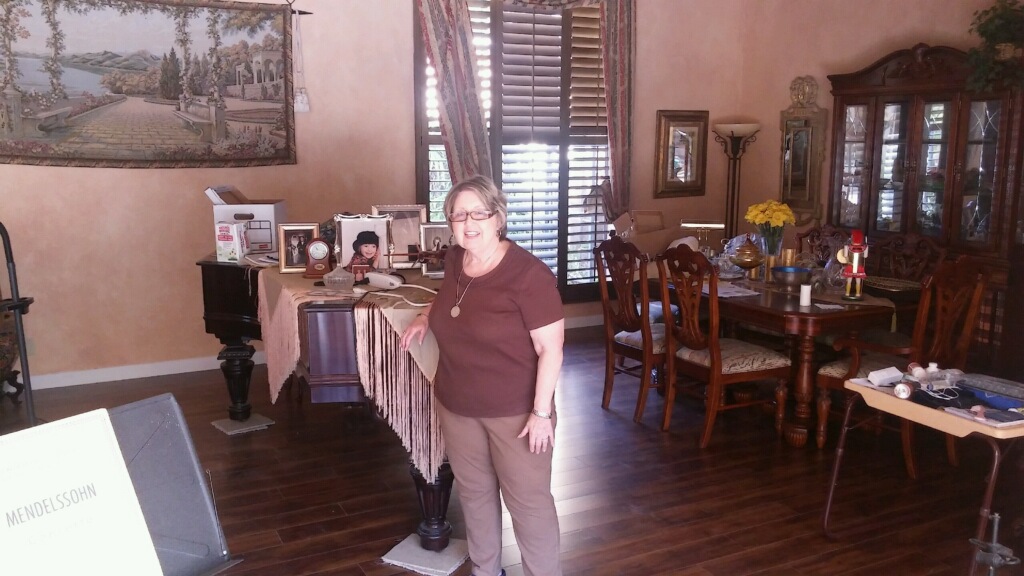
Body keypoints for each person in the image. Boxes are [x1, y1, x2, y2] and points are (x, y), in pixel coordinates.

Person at [400, 175, 564, 576]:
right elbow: (450, 299)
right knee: (474, 496)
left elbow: (551, 349)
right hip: (456, 404)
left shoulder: (529, 275)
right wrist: (425, 316)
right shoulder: (456, 259)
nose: (468, 223)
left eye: (479, 213)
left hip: (516, 414)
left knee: (528, 505)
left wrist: (541, 413)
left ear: (498, 218)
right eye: (459, 215)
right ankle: (486, 571)